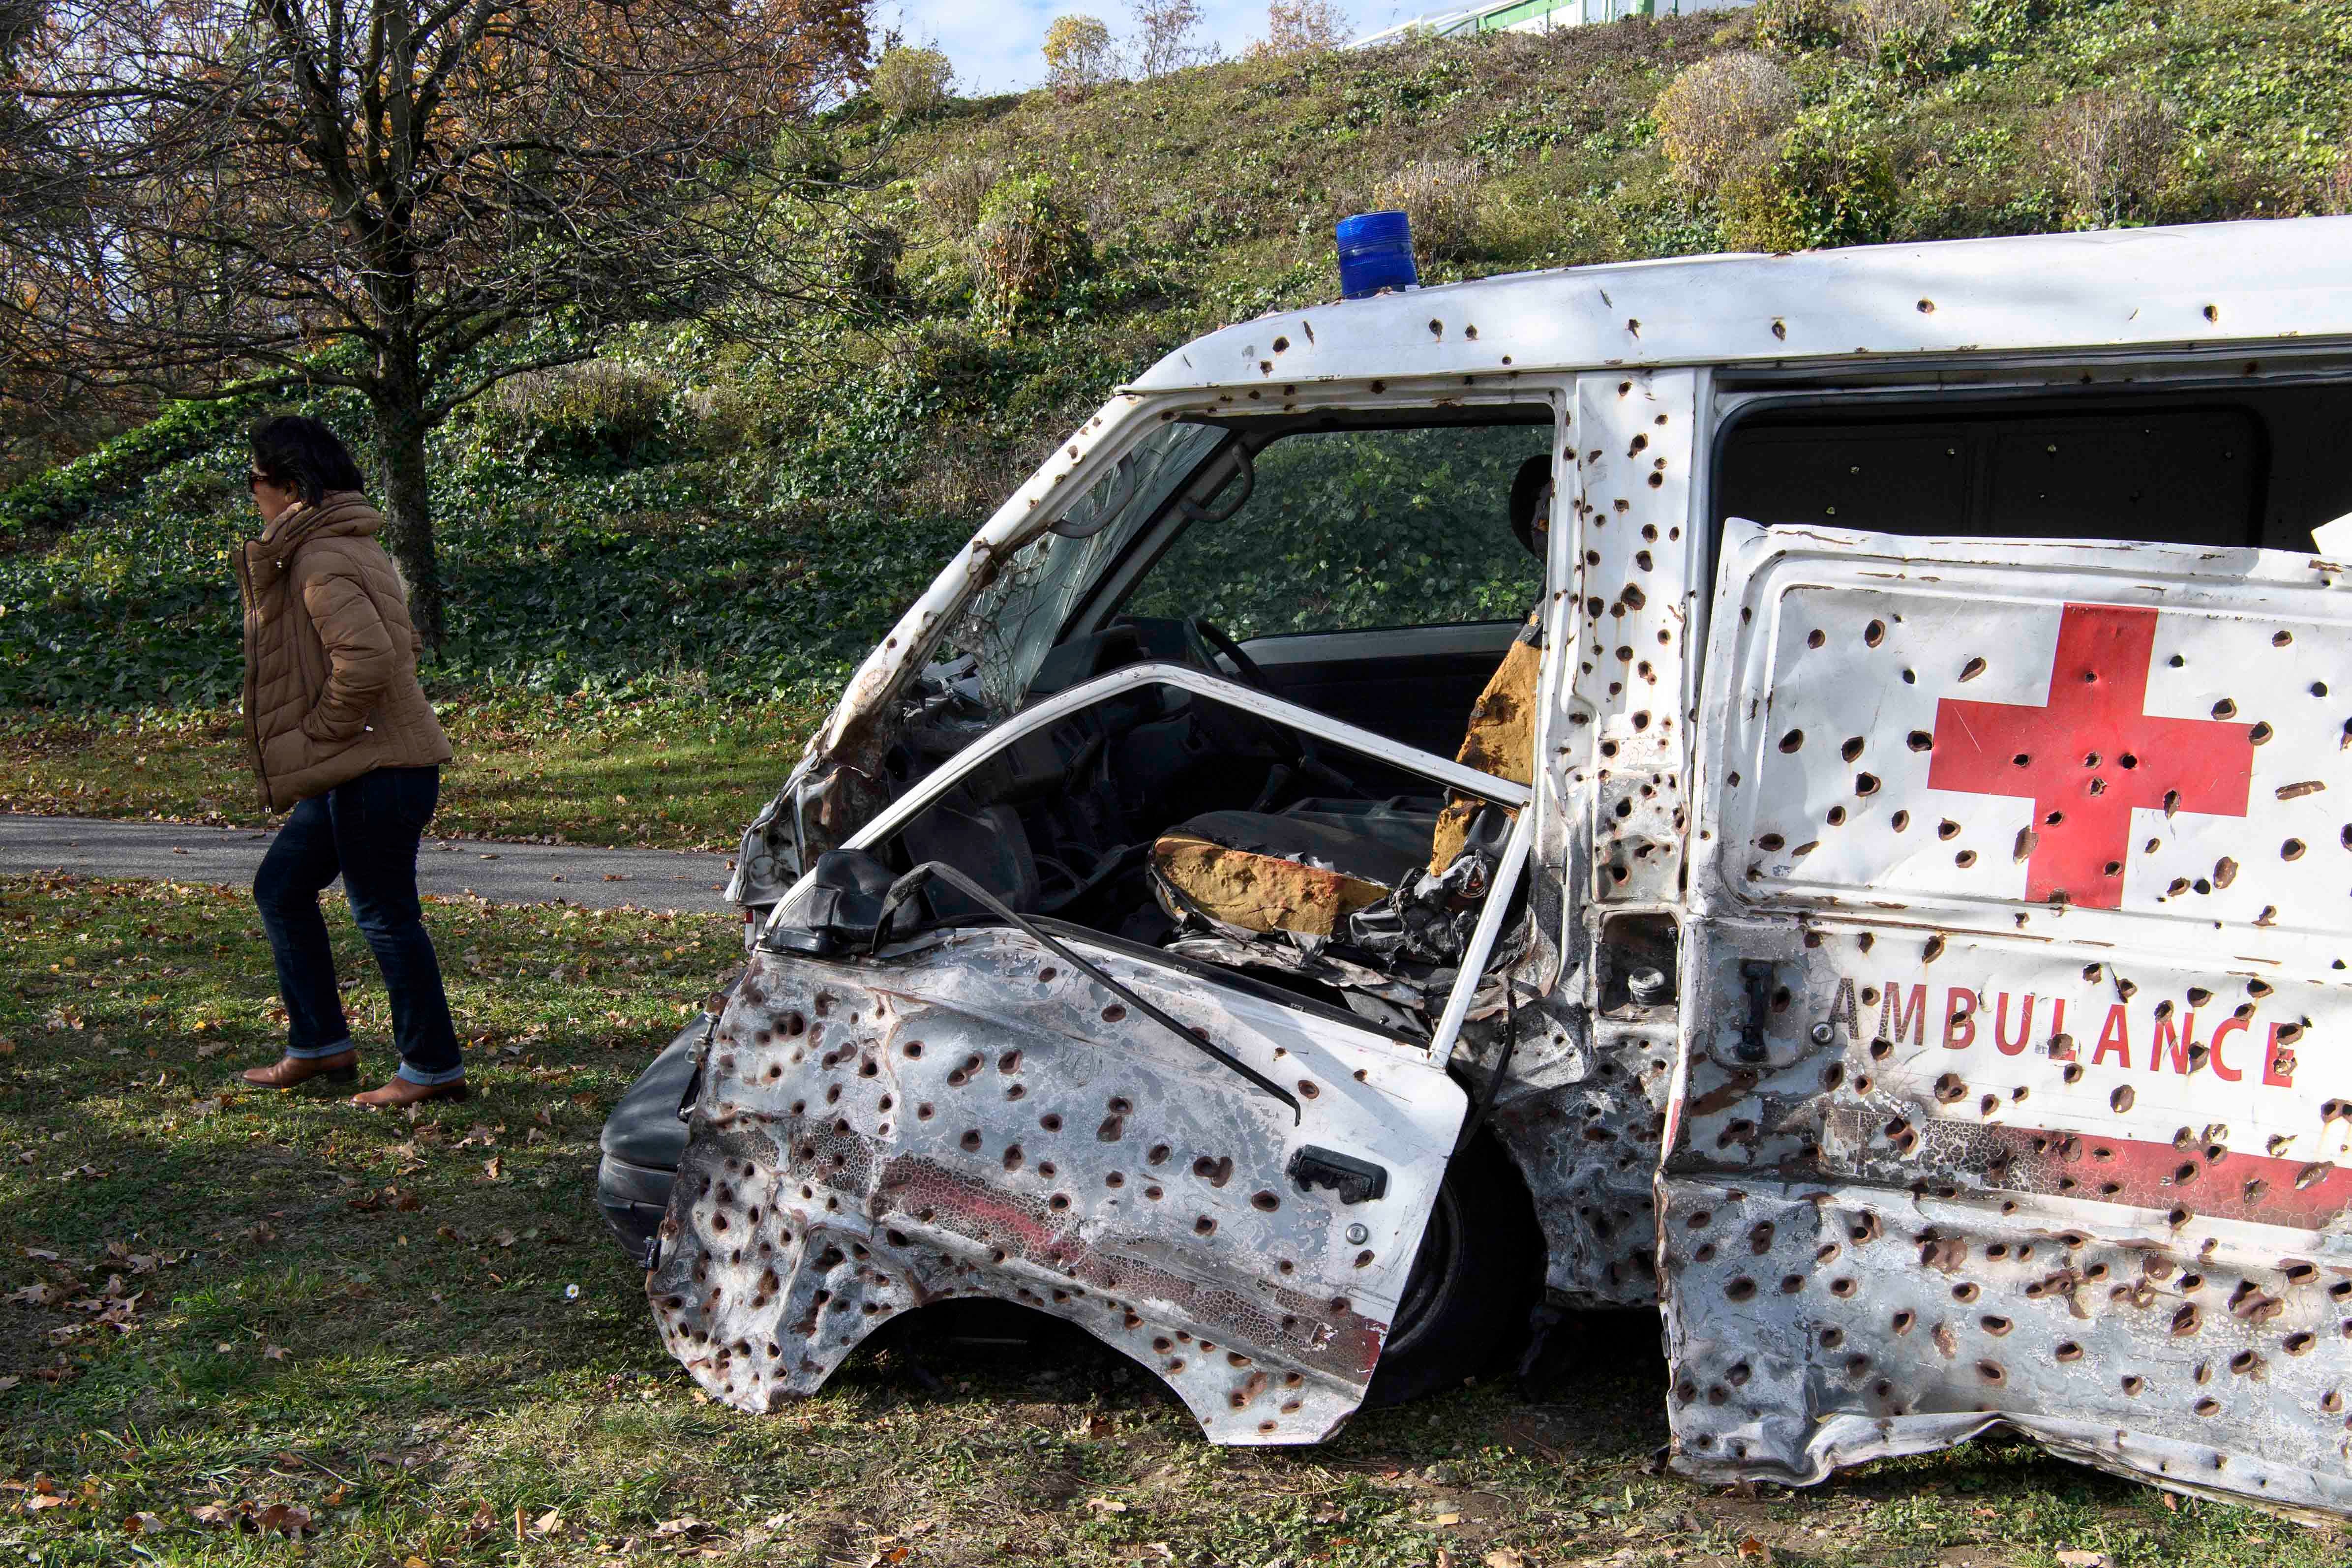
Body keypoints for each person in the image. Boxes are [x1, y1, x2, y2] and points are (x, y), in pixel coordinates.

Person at [232, 416, 467, 1107]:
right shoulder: (350, 546)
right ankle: (319, 1043)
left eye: (254, 481)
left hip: (374, 769)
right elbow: (404, 641)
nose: (251, 495)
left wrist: (324, 729)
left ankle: (430, 1068)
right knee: (281, 887)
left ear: (288, 485)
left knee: (385, 916)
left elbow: (368, 658)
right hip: (359, 767)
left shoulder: (320, 557)